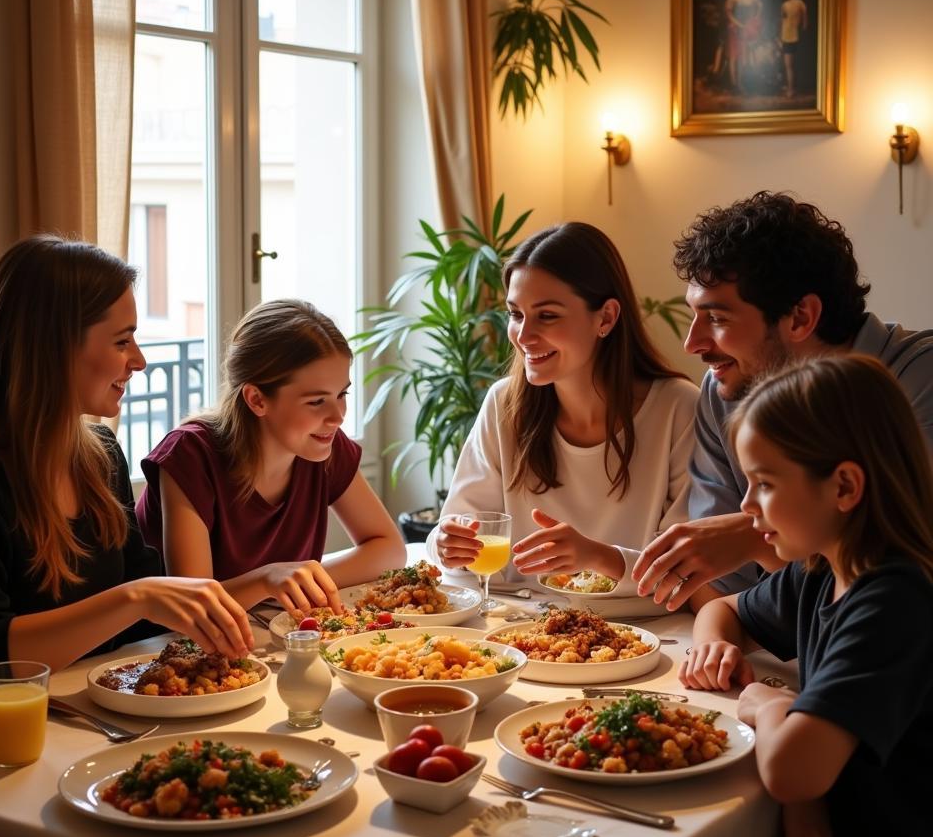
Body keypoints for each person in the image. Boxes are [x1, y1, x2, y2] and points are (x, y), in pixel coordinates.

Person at [0, 236, 259, 711]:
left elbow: (147, 623)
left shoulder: (101, 455)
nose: (139, 359)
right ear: (52, 347)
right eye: (121, 341)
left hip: (86, 716)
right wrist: (134, 598)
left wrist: (264, 584)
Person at [681, 355, 932, 837]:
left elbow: (793, 770)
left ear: (843, 486)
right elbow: (721, 609)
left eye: (764, 484)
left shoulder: (894, 602)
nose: (745, 507)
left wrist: (771, 705)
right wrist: (716, 647)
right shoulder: (822, 570)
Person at [633, 191, 933, 608]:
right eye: (693, 316)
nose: (691, 344)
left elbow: (904, 565)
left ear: (801, 317)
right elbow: (724, 581)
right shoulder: (725, 390)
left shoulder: (920, 380)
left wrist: (752, 535)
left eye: (717, 319)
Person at [428, 222, 711, 611]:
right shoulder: (503, 405)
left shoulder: (677, 408)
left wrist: (596, 556)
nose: (523, 335)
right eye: (515, 314)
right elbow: (458, 531)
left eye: (546, 316)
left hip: (645, 634)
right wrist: (447, 542)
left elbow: (687, 567)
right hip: (517, 628)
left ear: (606, 318)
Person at [137, 299, 404, 601]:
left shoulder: (321, 442)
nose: (338, 416)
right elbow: (193, 603)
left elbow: (390, 549)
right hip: (156, 644)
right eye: (317, 401)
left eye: (342, 394)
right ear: (257, 400)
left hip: (263, 631)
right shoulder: (189, 455)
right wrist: (269, 580)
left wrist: (296, 580)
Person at [725, 0, 763, 91]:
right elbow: (728, 12)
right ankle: (733, 83)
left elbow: (760, 5)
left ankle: (740, 84)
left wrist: (755, 18)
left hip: (745, 28)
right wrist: (737, 24)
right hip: (735, 28)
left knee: (742, 56)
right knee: (733, 55)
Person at [780, 0, 808, 97]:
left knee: (791, 65)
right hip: (787, 36)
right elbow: (782, 21)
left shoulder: (799, 2)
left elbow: (805, 19)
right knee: (789, 65)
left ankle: (792, 89)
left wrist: (802, 30)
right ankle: (791, 88)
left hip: (793, 36)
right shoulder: (785, 5)